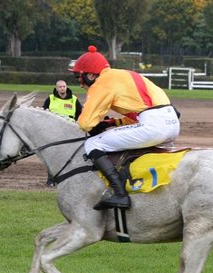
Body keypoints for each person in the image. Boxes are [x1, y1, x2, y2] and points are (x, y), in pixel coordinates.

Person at [72, 45, 180, 210]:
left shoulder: (101, 83)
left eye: (78, 77)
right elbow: (135, 114)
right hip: (171, 123)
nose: (79, 83)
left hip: (153, 125)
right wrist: (112, 123)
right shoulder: (125, 74)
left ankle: (120, 194)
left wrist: (98, 124)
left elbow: (85, 123)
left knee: (93, 143)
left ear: (91, 74)